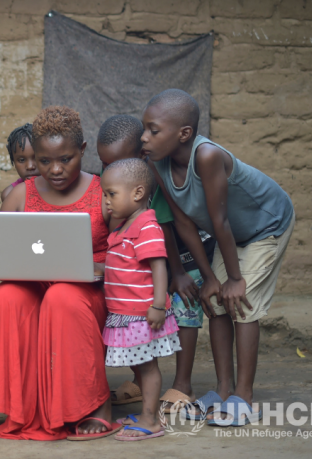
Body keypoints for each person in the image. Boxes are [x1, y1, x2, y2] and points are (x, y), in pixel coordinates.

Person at [0, 106, 121, 441]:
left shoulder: (104, 192)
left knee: (62, 297)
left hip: (85, 294)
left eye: (66, 159)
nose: (55, 170)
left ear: (82, 150)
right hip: (32, 287)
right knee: (5, 300)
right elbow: (3, 251)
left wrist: (100, 267)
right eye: (44, 161)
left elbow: (129, 251)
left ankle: (95, 405)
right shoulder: (19, 194)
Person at [141, 89, 295, 427]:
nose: (144, 138)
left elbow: (220, 220)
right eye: (144, 130)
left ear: (184, 134)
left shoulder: (207, 156)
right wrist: (210, 276)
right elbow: (183, 221)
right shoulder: (159, 163)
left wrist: (236, 279)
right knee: (217, 302)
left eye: (154, 130)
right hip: (232, 235)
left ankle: (245, 395)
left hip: (266, 225)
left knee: (243, 300)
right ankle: (224, 390)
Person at [96, 115, 215, 412]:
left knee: (185, 307)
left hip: (186, 252)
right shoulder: (120, 184)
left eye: (116, 162)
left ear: (140, 155)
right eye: (104, 163)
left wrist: (180, 273)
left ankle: (182, 384)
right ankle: (141, 381)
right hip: (153, 253)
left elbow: (168, 226)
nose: (109, 170)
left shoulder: (152, 179)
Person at [101, 158, 181, 440]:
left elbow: (160, 266)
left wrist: (159, 305)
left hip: (142, 313)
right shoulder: (125, 227)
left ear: (137, 194)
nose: (106, 201)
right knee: (139, 365)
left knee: (147, 368)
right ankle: (147, 412)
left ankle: (151, 420)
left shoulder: (146, 227)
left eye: (111, 194)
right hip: (126, 313)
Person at [0, 123, 39, 202]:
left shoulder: (59, 188)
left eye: (36, 158)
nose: (30, 166)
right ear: (13, 161)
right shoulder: (9, 195)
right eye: (21, 160)